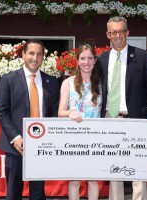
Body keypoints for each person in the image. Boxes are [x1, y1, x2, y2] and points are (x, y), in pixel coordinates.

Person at [97, 16, 147, 200]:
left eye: (121, 31)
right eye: (114, 32)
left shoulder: (142, 56)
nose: (118, 35)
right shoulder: (102, 60)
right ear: (108, 35)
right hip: (110, 118)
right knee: (114, 170)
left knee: (138, 170)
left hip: (136, 120)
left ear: (127, 33)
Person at [0, 39, 60, 200]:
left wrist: (49, 137)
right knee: (13, 191)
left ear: (43, 57)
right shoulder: (8, 79)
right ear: (23, 54)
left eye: (39, 54)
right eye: (31, 53)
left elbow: (53, 112)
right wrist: (16, 138)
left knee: (38, 193)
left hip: (41, 144)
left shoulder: (51, 81)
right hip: (15, 146)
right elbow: (2, 112)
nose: (35, 58)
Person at [58, 44, 102, 200]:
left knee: (93, 180)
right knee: (75, 181)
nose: (86, 62)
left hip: (96, 138)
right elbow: (60, 112)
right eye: (82, 58)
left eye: (90, 58)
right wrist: (70, 112)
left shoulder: (101, 84)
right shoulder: (67, 83)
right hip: (74, 138)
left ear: (95, 60)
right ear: (77, 61)